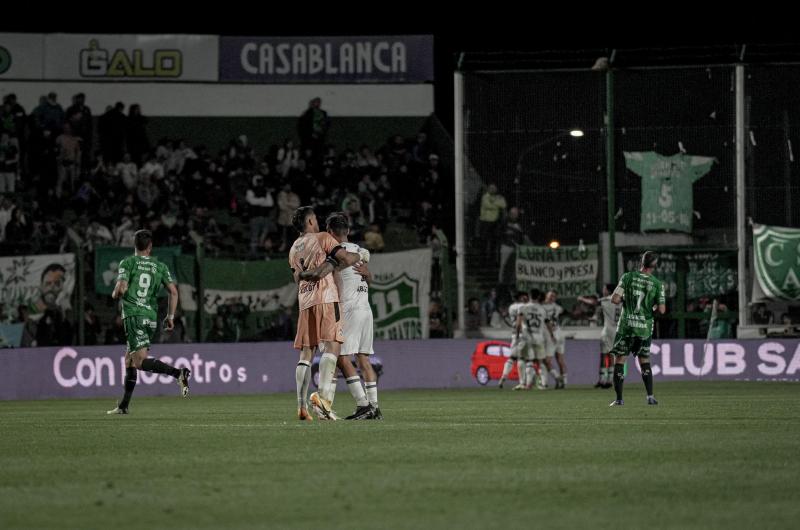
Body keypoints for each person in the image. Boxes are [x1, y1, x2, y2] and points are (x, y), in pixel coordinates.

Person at [301, 212, 380, 419]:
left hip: (349, 309)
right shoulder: (360, 251)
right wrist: (367, 271)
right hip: (365, 309)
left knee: (342, 358)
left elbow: (328, 274)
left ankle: (364, 405)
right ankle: (374, 407)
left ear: (329, 232)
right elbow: (368, 278)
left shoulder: (337, 254)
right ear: (348, 231)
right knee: (363, 359)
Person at [288, 206, 363, 421]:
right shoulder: (322, 238)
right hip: (327, 297)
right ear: (310, 221)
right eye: (315, 219)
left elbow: (297, 278)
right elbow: (346, 260)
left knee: (306, 353)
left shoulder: (293, 248)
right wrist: (360, 254)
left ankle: (301, 406)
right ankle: (322, 399)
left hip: (305, 301)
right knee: (333, 346)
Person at [106, 229, 190, 415]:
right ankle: (123, 406)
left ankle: (179, 374)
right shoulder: (160, 267)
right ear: (150, 247)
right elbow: (174, 292)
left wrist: (115, 293)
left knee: (138, 361)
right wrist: (170, 316)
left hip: (134, 316)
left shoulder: (128, 263)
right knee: (129, 360)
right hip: (150, 317)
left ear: (134, 245)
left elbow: (120, 290)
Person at [609, 251, 666, 407]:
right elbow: (661, 309)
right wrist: (652, 306)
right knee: (644, 360)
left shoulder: (627, 277)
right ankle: (650, 397)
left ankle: (619, 399)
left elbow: (614, 299)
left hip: (626, 326)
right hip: (644, 328)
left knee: (620, 360)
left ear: (641, 262)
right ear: (654, 265)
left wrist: (626, 298)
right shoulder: (657, 284)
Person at [579, 284, 621, 389]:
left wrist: (582, 298)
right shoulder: (621, 300)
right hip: (618, 331)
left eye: (604, 288)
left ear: (608, 290)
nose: (603, 290)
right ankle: (610, 379)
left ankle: (603, 380)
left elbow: (594, 302)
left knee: (604, 355)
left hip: (608, 331)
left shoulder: (607, 299)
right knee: (612, 355)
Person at [497, 291, 529, 389]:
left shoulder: (511, 307)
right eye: (524, 297)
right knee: (521, 358)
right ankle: (522, 382)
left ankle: (503, 376)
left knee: (512, 357)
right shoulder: (523, 307)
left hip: (514, 334)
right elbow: (520, 321)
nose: (526, 298)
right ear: (520, 297)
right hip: (522, 333)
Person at [542, 290, 567, 388]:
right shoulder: (558, 307)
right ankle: (564, 382)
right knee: (560, 359)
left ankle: (558, 377)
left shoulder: (542, 307)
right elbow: (564, 312)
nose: (550, 297)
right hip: (560, 332)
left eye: (552, 296)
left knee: (546, 361)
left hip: (551, 334)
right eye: (550, 296)